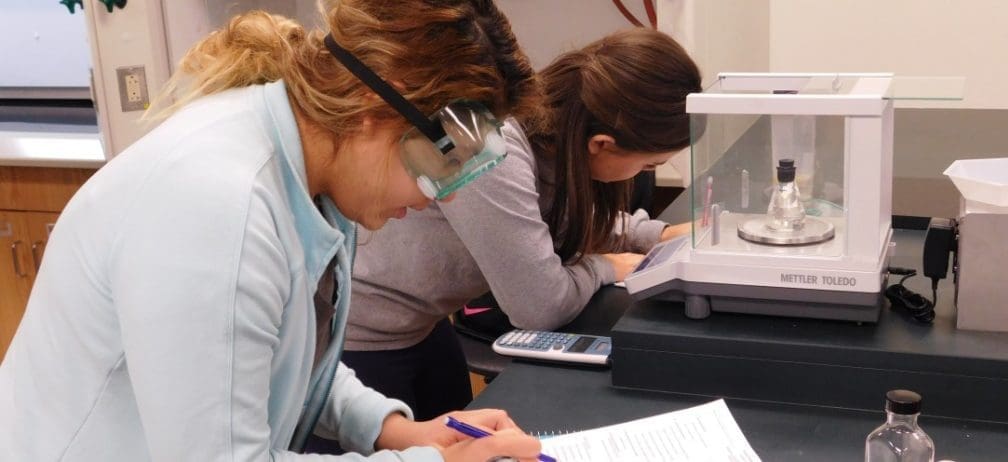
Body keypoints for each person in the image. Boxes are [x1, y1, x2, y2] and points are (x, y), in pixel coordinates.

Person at [0, 1, 546, 461]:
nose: (442, 193)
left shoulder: (310, 173)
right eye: (441, 160)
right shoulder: (217, 210)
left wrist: (397, 431)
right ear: (373, 106)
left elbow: (286, 352)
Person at [343, 28, 702, 420]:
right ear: (601, 144)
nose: (648, 172)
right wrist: (603, 266)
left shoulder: (552, 137)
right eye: (649, 164)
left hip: (423, 327)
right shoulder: (498, 152)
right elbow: (539, 307)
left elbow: (551, 217)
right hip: (363, 340)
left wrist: (658, 235)